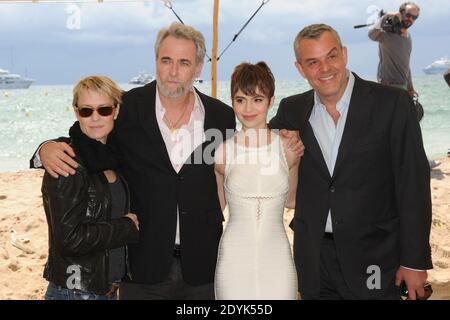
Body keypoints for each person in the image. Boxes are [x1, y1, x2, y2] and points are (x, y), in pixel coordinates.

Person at [32, 23, 304, 300]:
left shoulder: (220, 116)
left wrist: (287, 139)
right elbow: (90, 131)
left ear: (197, 69)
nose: (173, 71)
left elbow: (251, 150)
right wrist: (45, 148)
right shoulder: (127, 108)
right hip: (142, 266)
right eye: (166, 61)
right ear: (156, 62)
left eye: (183, 62)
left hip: (204, 269)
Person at [269, 23, 432, 300]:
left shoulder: (391, 104)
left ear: (344, 54)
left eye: (331, 56)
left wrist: (414, 261)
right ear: (300, 69)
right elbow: (256, 144)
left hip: (376, 257)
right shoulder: (291, 110)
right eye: (313, 62)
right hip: (315, 262)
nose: (325, 68)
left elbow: (413, 185)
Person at [41, 76, 140, 300]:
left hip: (108, 291)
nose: (95, 118)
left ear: (115, 111)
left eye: (103, 110)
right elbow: (69, 239)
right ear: (76, 112)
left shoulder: (117, 156)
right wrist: (126, 227)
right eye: (86, 111)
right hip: (75, 291)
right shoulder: (66, 161)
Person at [214, 62, 299, 300]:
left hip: (278, 258)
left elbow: (292, 200)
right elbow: (216, 209)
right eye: (240, 99)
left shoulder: (289, 149)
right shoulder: (222, 152)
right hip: (233, 260)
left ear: (271, 101)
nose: (248, 108)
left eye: (257, 99)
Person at [368, 2, 420, 98]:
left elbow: (406, 65)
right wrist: (385, 17)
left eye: (414, 17)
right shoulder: (387, 35)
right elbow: (371, 34)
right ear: (400, 14)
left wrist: (410, 89)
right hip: (387, 87)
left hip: (403, 88)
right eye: (408, 15)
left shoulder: (408, 38)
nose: (410, 19)